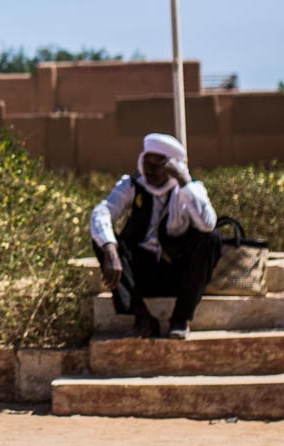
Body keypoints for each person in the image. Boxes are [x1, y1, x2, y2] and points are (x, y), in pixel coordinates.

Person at [87, 132, 219, 341]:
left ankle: (180, 320)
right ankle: (144, 319)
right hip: (141, 273)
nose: (150, 171)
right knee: (103, 240)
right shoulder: (132, 184)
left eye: (157, 166)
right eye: (147, 163)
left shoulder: (189, 188)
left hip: (177, 272)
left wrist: (184, 181)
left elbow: (208, 223)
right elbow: (101, 212)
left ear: (172, 167)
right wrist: (110, 249)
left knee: (210, 238)